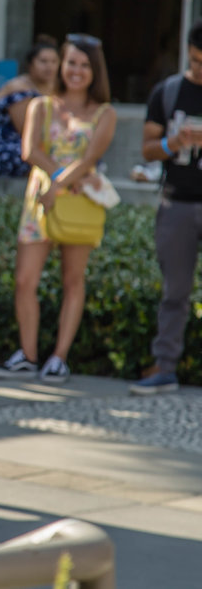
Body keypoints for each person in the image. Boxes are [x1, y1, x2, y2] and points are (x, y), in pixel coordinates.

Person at [0, 34, 116, 384]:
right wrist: (59, 181)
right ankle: (28, 355)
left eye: (84, 65)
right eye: (71, 62)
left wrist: (58, 187)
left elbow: (92, 157)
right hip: (41, 202)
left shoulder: (105, 113)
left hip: (77, 202)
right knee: (24, 279)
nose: (76, 70)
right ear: (62, 66)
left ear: (95, 71)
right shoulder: (41, 106)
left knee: (72, 280)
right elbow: (29, 151)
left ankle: (59, 357)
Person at [130, 21, 202, 395]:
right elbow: (147, 148)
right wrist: (175, 143)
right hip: (177, 201)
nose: (201, 69)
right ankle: (166, 366)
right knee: (175, 291)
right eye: (195, 61)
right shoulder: (169, 91)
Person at [0, 36, 60, 177]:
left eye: (54, 61)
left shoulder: (59, 88)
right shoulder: (19, 88)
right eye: (43, 61)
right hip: (10, 148)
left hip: (41, 144)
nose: (49, 66)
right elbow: (26, 132)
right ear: (30, 64)